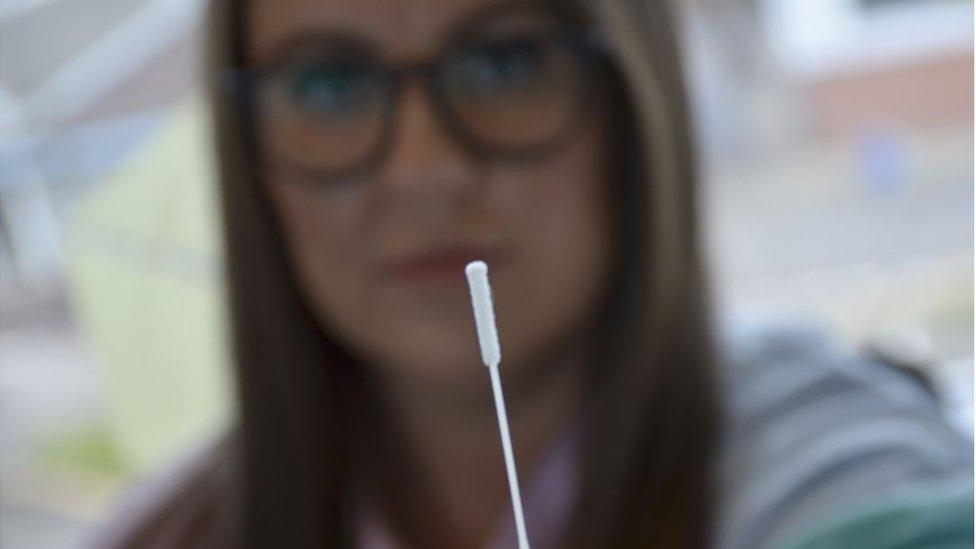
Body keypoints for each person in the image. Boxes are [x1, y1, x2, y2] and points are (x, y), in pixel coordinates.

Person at [87, 0, 973, 548]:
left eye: (507, 60)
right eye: (327, 84)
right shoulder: (172, 532)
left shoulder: (820, 458)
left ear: (635, 93)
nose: (422, 168)